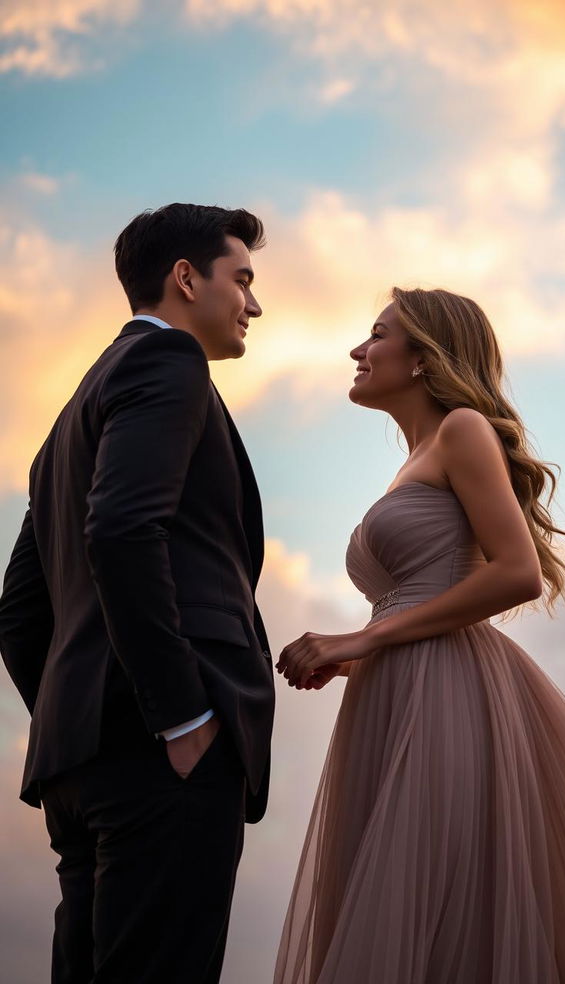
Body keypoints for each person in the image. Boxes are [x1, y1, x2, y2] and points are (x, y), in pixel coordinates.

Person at [274, 287, 565, 984]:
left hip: (446, 699)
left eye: (377, 334)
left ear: (422, 358)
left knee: (434, 905)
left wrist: (360, 640)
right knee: (391, 903)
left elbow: (516, 574)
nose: (358, 349)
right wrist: (355, 659)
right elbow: (424, 601)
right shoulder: (411, 463)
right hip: (397, 693)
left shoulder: (462, 429)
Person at [0, 203, 275, 984]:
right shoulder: (168, 365)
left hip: (81, 767)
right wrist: (179, 717)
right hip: (165, 758)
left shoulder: (68, 419)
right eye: (243, 280)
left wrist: (74, 716)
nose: (253, 305)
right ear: (186, 279)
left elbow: (19, 611)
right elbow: (120, 531)